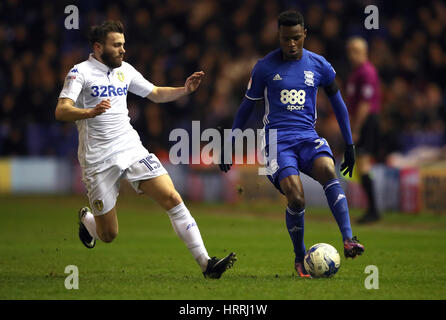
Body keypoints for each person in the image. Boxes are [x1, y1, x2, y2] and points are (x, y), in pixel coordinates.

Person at [55, 21, 236, 279]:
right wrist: (89, 112)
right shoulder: (79, 73)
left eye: (123, 45)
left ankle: (207, 264)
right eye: (116, 45)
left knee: (172, 198)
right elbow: (61, 110)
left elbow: (154, 93)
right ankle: (88, 220)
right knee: (108, 235)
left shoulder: (125, 70)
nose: (122, 50)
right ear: (98, 47)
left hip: (130, 147)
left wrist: (184, 90)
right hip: (97, 159)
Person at [219, 10, 364, 278]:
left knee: (329, 171)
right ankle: (300, 257)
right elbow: (246, 108)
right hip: (277, 142)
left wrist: (350, 144)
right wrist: (230, 143)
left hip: (307, 137)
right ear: (279, 36)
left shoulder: (319, 65)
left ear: (304, 34)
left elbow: (340, 106)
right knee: (296, 197)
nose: (291, 44)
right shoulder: (264, 67)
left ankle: (348, 238)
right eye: (286, 39)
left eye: (296, 38)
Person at [346, 37, 381, 223]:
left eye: (356, 51)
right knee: (361, 164)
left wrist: (356, 127)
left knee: (364, 162)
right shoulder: (356, 73)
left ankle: (373, 210)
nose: (352, 55)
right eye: (350, 51)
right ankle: (372, 209)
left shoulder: (366, 72)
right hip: (361, 121)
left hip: (367, 121)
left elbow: (365, 104)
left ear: (364, 52)